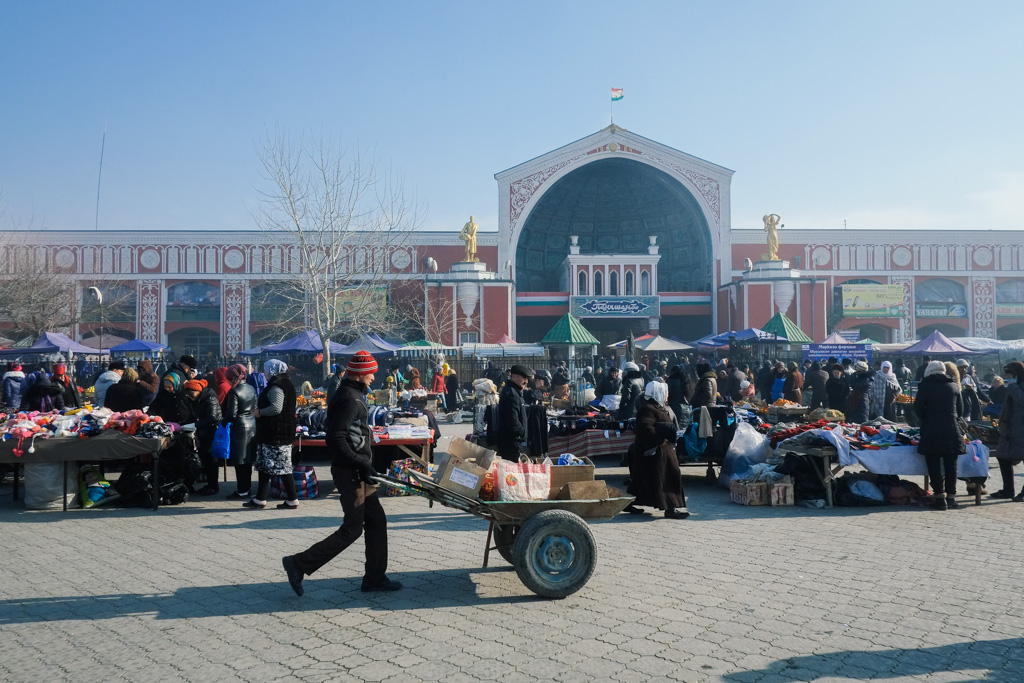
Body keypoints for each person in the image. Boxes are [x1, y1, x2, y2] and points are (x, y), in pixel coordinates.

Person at [283, 350, 403, 596]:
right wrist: (362, 462)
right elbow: (336, 437)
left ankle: (375, 578)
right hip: (351, 472)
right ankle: (299, 563)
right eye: (371, 372)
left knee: (377, 521)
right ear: (360, 374)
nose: (374, 377)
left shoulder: (353, 394)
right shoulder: (350, 398)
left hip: (357, 470)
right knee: (352, 528)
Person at [623, 381, 688, 519]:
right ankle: (671, 508)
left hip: (659, 452)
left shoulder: (658, 407)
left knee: (643, 481)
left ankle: (628, 503)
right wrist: (660, 439)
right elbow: (645, 427)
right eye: (665, 393)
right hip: (655, 454)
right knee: (666, 478)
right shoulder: (648, 409)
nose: (667, 395)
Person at [245, 359, 299, 510]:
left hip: (277, 433)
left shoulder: (277, 386)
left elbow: (276, 408)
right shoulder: (286, 383)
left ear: (272, 371)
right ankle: (260, 498)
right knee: (264, 466)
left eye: (266, 370)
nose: (264, 373)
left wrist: (259, 412)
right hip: (275, 432)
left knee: (283, 468)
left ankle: (292, 499)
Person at [914, 360, 966, 510]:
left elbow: (918, 409)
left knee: (934, 465)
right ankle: (952, 498)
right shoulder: (954, 386)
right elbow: (960, 411)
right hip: (952, 429)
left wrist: (927, 418)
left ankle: (939, 498)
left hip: (931, 430)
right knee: (951, 465)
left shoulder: (925, 386)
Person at [221, 363, 258, 499]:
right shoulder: (251, 388)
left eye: (229, 379)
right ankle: (247, 488)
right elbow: (255, 406)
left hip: (239, 428)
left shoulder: (234, 391)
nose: (228, 381)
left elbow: (231, 414)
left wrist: (223, 423)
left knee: (239, 461)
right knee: (247, 460)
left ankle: (242, 490)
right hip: (252, 426)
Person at [991, 362, 1024, 500]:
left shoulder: (1016, 386)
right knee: (1003, 456)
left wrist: (1013, 386)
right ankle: (1008, 490)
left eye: (1010, 375)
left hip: (1020, 428)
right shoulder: (1013, 386)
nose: (1008, 378)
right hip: (1011, 429)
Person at [186, 378, 224, 497]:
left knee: (211, 460)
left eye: (192, 395)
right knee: (206, 459)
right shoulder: (197, 399)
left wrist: (195, 425)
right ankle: (210, 484)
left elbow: (213, 418)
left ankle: (213, 486)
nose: (191, 397)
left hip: (212, 432)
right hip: (204, 432)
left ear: (198, 391)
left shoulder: (210, 398)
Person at [495, 364, 532, 461]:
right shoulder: (512, 393)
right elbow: (512, 420)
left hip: (511, 439)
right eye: (524, 378)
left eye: (527, 379)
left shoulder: (514, 391)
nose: (526, 381)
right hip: (511, 441)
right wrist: (522, 432)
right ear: (514, 377)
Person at [666, 365, 694, 432]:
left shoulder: (671, 381)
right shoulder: (687, 382)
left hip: (674, 410)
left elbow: (667, 395)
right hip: (687, 410)